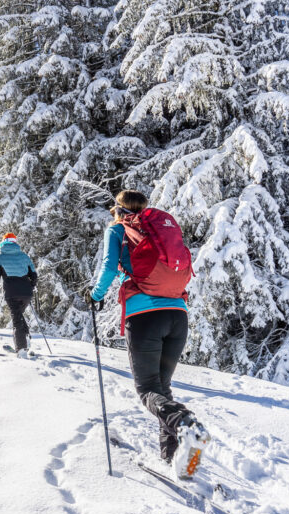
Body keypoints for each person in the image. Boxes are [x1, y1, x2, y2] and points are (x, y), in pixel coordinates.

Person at [86, 190, 207, 474]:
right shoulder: (153, 231)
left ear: (117, 210)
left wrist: (95, 295)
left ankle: (185, 422)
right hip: (178, 314)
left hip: (145, 316)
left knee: (147, 390)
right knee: (162, 388)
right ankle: (174, 458)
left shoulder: (117, 230)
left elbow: (108, 267)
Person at [0, 233, 38, 353]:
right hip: (26, 293)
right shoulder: (24, 256)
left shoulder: (0, 257)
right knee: (19, 316)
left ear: (3, 242)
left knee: (17, 319)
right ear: (15, 242)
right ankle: (25, 338)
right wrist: (30, 286)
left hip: (11, 294)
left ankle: (21, 349)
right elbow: (34, 275)